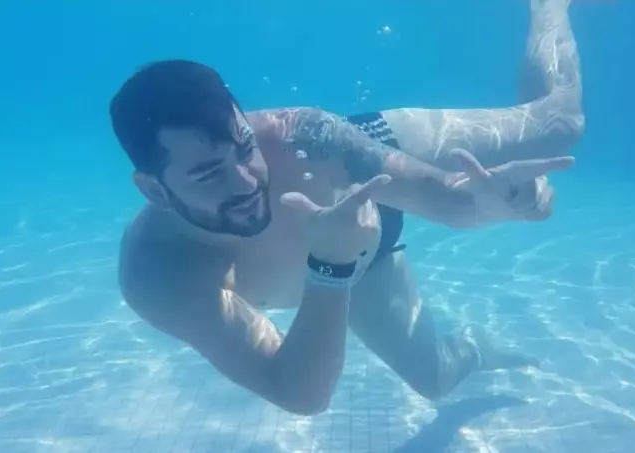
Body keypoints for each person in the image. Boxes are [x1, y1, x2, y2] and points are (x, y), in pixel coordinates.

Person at [112, 0, 582, 415]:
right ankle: (478, 349)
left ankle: (549, 6)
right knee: (436, 379)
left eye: (245, 146)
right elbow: (300, 394)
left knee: (562, 123)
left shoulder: (302, 136)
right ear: (154, 190)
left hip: (355, 171)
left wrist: (501, 200)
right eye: (208, 173)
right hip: (350, 260)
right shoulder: (159, 272)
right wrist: (331, 269)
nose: (248, 181)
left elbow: (448, 199)